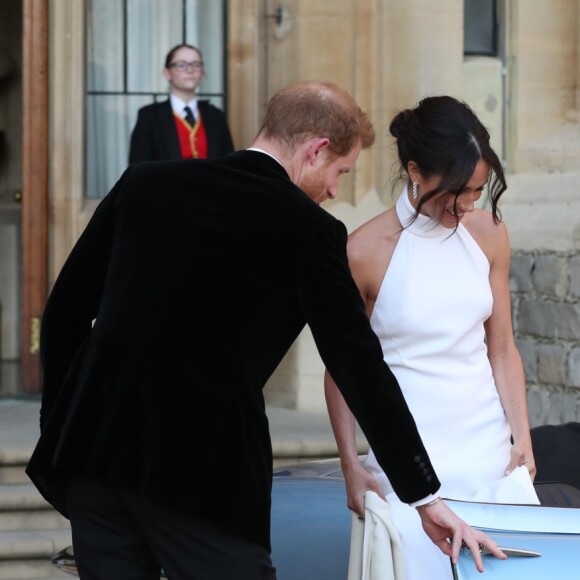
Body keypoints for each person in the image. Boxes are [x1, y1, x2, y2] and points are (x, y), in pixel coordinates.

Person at [26, 82, 504, 580]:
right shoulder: (311, 231)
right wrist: (425, 495)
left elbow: (63, 313)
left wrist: (56, 423)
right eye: (340, 171)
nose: (336, 190)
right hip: (202, 474)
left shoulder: (145, 182)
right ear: (315, 150)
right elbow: (358, 364)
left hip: (93, 454)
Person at [324, 95, 538, 580]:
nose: (466, 205)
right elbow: (341, 371)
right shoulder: (362, 251)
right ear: (415, 171)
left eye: (478, 191)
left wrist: (522, 441)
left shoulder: (488, 234)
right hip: (409, 467)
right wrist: (350, 466)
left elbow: (501, 346)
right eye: (456, 192)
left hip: (491, 460)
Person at [128, 43, 234, 163]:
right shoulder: (149, 116)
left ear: (202, 72)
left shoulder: (216, 115)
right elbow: (139, 166)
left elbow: (228, 163)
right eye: (181, 65)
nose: (190, 70)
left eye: (196, 64)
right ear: (167, 73)